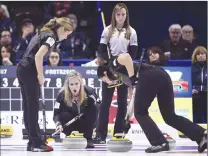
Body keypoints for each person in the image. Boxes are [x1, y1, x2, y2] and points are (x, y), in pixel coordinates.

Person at [97, 59, 207, 153]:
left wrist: (132, 77)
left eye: (104, 81)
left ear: (104, 74)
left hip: (149, 75)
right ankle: (201, 135)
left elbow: (126, 57)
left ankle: (159, 142)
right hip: (161, 75)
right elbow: (133, 100)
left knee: (141, 112)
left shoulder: (112, 66)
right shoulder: (123, 79)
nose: (108, 84)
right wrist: (127, 120)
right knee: (169, 116)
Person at [16, 17, 73, 152]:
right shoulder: (51, 36)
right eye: (67, 34)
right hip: (29, 70)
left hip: (22, 69)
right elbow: (38, 56)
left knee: (28, 107)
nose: (65, 38)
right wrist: (41, 76)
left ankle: (32, 141)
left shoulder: (44, 31)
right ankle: (36, 142)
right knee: (33, 107)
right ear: (62, 29)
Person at [93, 3, 138, 144]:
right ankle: (100, 134)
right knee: (105, 103)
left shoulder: (132, 32)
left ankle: (119, 132)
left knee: (122, 103)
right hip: (110, 67)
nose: (120, 17)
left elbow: (133, 52)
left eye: (123, 14)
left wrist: (126, 67)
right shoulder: (107, 31)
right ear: (114, 15)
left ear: (126, 15)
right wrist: (106, 67)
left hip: (124, 68)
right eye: (118, 14)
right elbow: (101, 50)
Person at [53, 71, 100, 148]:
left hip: (86, 124)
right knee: (64, 115)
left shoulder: (89, 92)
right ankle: (70, 135)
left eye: (76, 84)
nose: (74, 87)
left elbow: (99, 105)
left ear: (81, 83)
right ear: (67, 85)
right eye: (71, 84)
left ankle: (88, 138)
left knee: (93, 107)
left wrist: (89, 104)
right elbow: (56, 113)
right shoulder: (62, 95)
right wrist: (58, 124)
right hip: (70, 123)